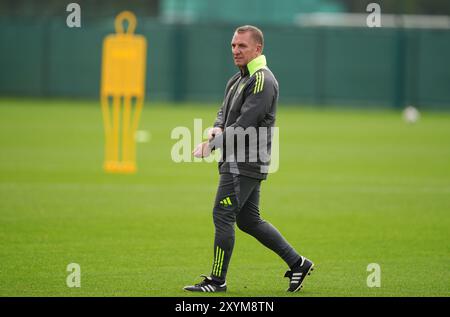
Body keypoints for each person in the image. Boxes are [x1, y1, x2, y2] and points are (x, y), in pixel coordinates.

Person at [185, 25, 314, 293]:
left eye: (242, 46)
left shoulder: (262, 80)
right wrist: (217, 127)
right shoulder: (237, 79)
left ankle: (217, 281)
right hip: (237, 161)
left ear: (258, 49)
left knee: (222, 214)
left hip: (244, 163)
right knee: (249, 221)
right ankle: (298, 263)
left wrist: (211, 145)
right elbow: (224, 112)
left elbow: (245, 124)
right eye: (233, 45)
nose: (235, 50)